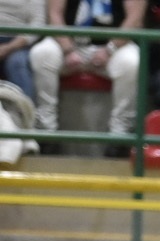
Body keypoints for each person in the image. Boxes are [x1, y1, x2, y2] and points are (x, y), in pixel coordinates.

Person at [28, 0, 144, 156]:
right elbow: (54, 15)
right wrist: (68, 49)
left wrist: (109, 50)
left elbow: (134, 19)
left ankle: (120, 136)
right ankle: (46, 131)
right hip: (68, 44)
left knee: (132, 62)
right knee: (41, 53)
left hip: (114, 45)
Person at [0, 0, 42, 106]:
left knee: (17, 62)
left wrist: (9, 47)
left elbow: (38, 24)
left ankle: (24, 112)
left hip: (19, 42)